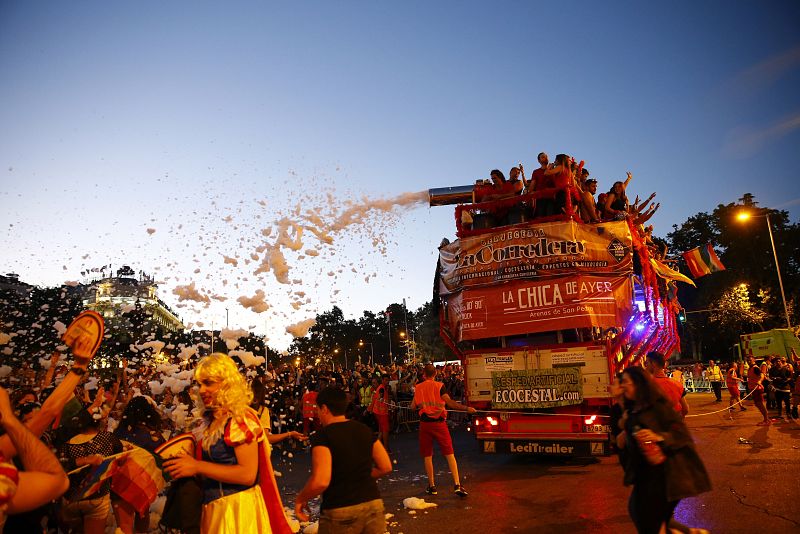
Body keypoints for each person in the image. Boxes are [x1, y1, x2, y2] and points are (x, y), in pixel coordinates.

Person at [163, 353, 292, 534]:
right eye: (199, 384)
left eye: (209, 383)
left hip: (237, 511)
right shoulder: (207, 421)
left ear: (226, 383)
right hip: (212, 511)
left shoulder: (240, 418)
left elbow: (247, 474)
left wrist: (197, 467)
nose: (201, 390)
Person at [616, 366, 711, 534]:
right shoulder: (634, 409)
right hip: (645, 478)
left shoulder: (658, 406)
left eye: (626, 382)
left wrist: (659, 437)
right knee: (644, 516)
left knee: (649, 521)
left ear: (639, 384)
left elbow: (681, 434)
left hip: (665, 477)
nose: (623, 386)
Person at [295, 387, 392, 534]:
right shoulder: (364, 429)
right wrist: (359, 476)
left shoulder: (323, 436)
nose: (317, 414)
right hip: (373, 506)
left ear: (325, 409)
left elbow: (321, 480)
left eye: (318, 410)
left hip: (340, 510)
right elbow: (385, 466)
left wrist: (301, 498)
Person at [0, 386, 70, 531]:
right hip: (19, 521)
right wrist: (8, 418)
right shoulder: (12, 441)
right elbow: (58, 481)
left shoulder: (48, 437)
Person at [410, 364, 476, 497]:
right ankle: (457, 484)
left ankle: (432, 486)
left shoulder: (418, 387)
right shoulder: (440, 386)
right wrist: (467, 409)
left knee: (427, 456)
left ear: (424, 375)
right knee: (449, 454)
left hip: (425, 424)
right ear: (435, 374)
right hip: (439, 424)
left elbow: (412, 407)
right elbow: (450, 403)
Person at [60, 407, 124, 534]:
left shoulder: (65, 442)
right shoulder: (109, 438)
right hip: (97, 496)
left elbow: (60, 464)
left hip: (70, 497)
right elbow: (119, 459)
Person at [113, 396, 166, 534]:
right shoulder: (153, 435)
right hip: (143, 484)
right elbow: (163, 456)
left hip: (120, 482)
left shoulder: (119, 432)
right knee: (143, 514)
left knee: (124, 525)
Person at [645, 352, 688, 417]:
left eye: (647, 363)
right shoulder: (677, 385)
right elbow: (685, 409)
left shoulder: (647, 385)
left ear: (653, 364)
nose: (645, 366)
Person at [369, 375, 392, 451]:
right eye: (385, 380)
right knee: (385, 430)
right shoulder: (382, 388)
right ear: (382, 380)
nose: (387, 382)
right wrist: (382, 399)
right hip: (382, 413)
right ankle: (386, 448)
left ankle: (376, 448)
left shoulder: (382, 387)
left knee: (381, 431)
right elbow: (380, 397)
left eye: (388, 380)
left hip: (378, 412)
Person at [746, 356, 770, 425]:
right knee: (758, 404)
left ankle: (766, 420)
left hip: (757, 389)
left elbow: (762, 375)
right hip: (754, 389)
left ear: (753, 360)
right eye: (747, 360)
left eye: (750, 360)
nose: (748, 361)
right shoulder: (750, 368)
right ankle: (766, 419)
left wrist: (759, 381)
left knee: (760, 404)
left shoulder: (755, 368)